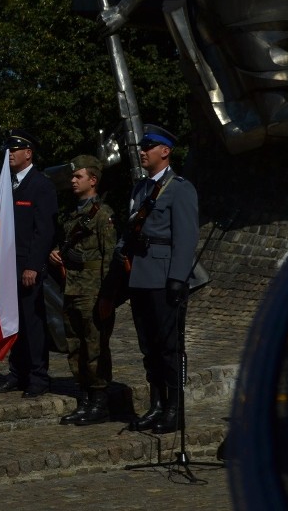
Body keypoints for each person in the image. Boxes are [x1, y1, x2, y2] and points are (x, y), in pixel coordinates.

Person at [116, 125, 199, 434]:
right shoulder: (139, 189)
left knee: (169, 347)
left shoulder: (180, 188)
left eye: (149, 146)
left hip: (165, 277)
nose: (142, 150)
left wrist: (178, 278)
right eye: (142, 145)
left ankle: (175, 409)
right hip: (139, 275)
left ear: (165, 151)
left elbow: (187, 237)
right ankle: (156, 405)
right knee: (148, 346)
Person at [48, 155, 117, 425]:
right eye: (72, 176)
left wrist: (107, 295)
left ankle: (100, 401)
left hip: (93, 290)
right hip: (72, 288)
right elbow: (67, 246)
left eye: (79, 176)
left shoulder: (103, 216)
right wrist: (56, 253)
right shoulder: (72, 215)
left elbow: (110, 257)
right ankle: (85, 397)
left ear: (93, 180)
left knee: (94, 345)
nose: (73, 180)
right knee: (75, 345)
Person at [0, 130, 58, 398]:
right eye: (7, 149)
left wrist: (33, 265)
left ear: (28, 153)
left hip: (26, 266)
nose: (9, 154)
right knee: (11, 321)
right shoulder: (6, 184)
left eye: (14, 149)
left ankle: (38, 377)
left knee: (32, 322)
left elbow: (44, 230)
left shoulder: (41, 185)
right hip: (6, 265)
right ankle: (17, 373)